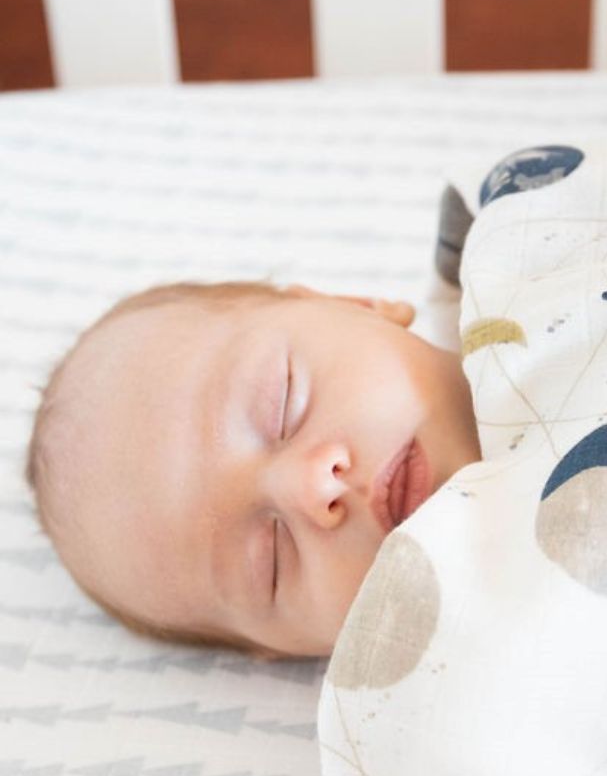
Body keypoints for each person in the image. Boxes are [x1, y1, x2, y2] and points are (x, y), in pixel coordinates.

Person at [24, 280, 483, 660]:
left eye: (283, 405)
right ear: (291, 649)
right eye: (271, 563)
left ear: (353, 304)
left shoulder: (504, 256)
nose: (312, 488)